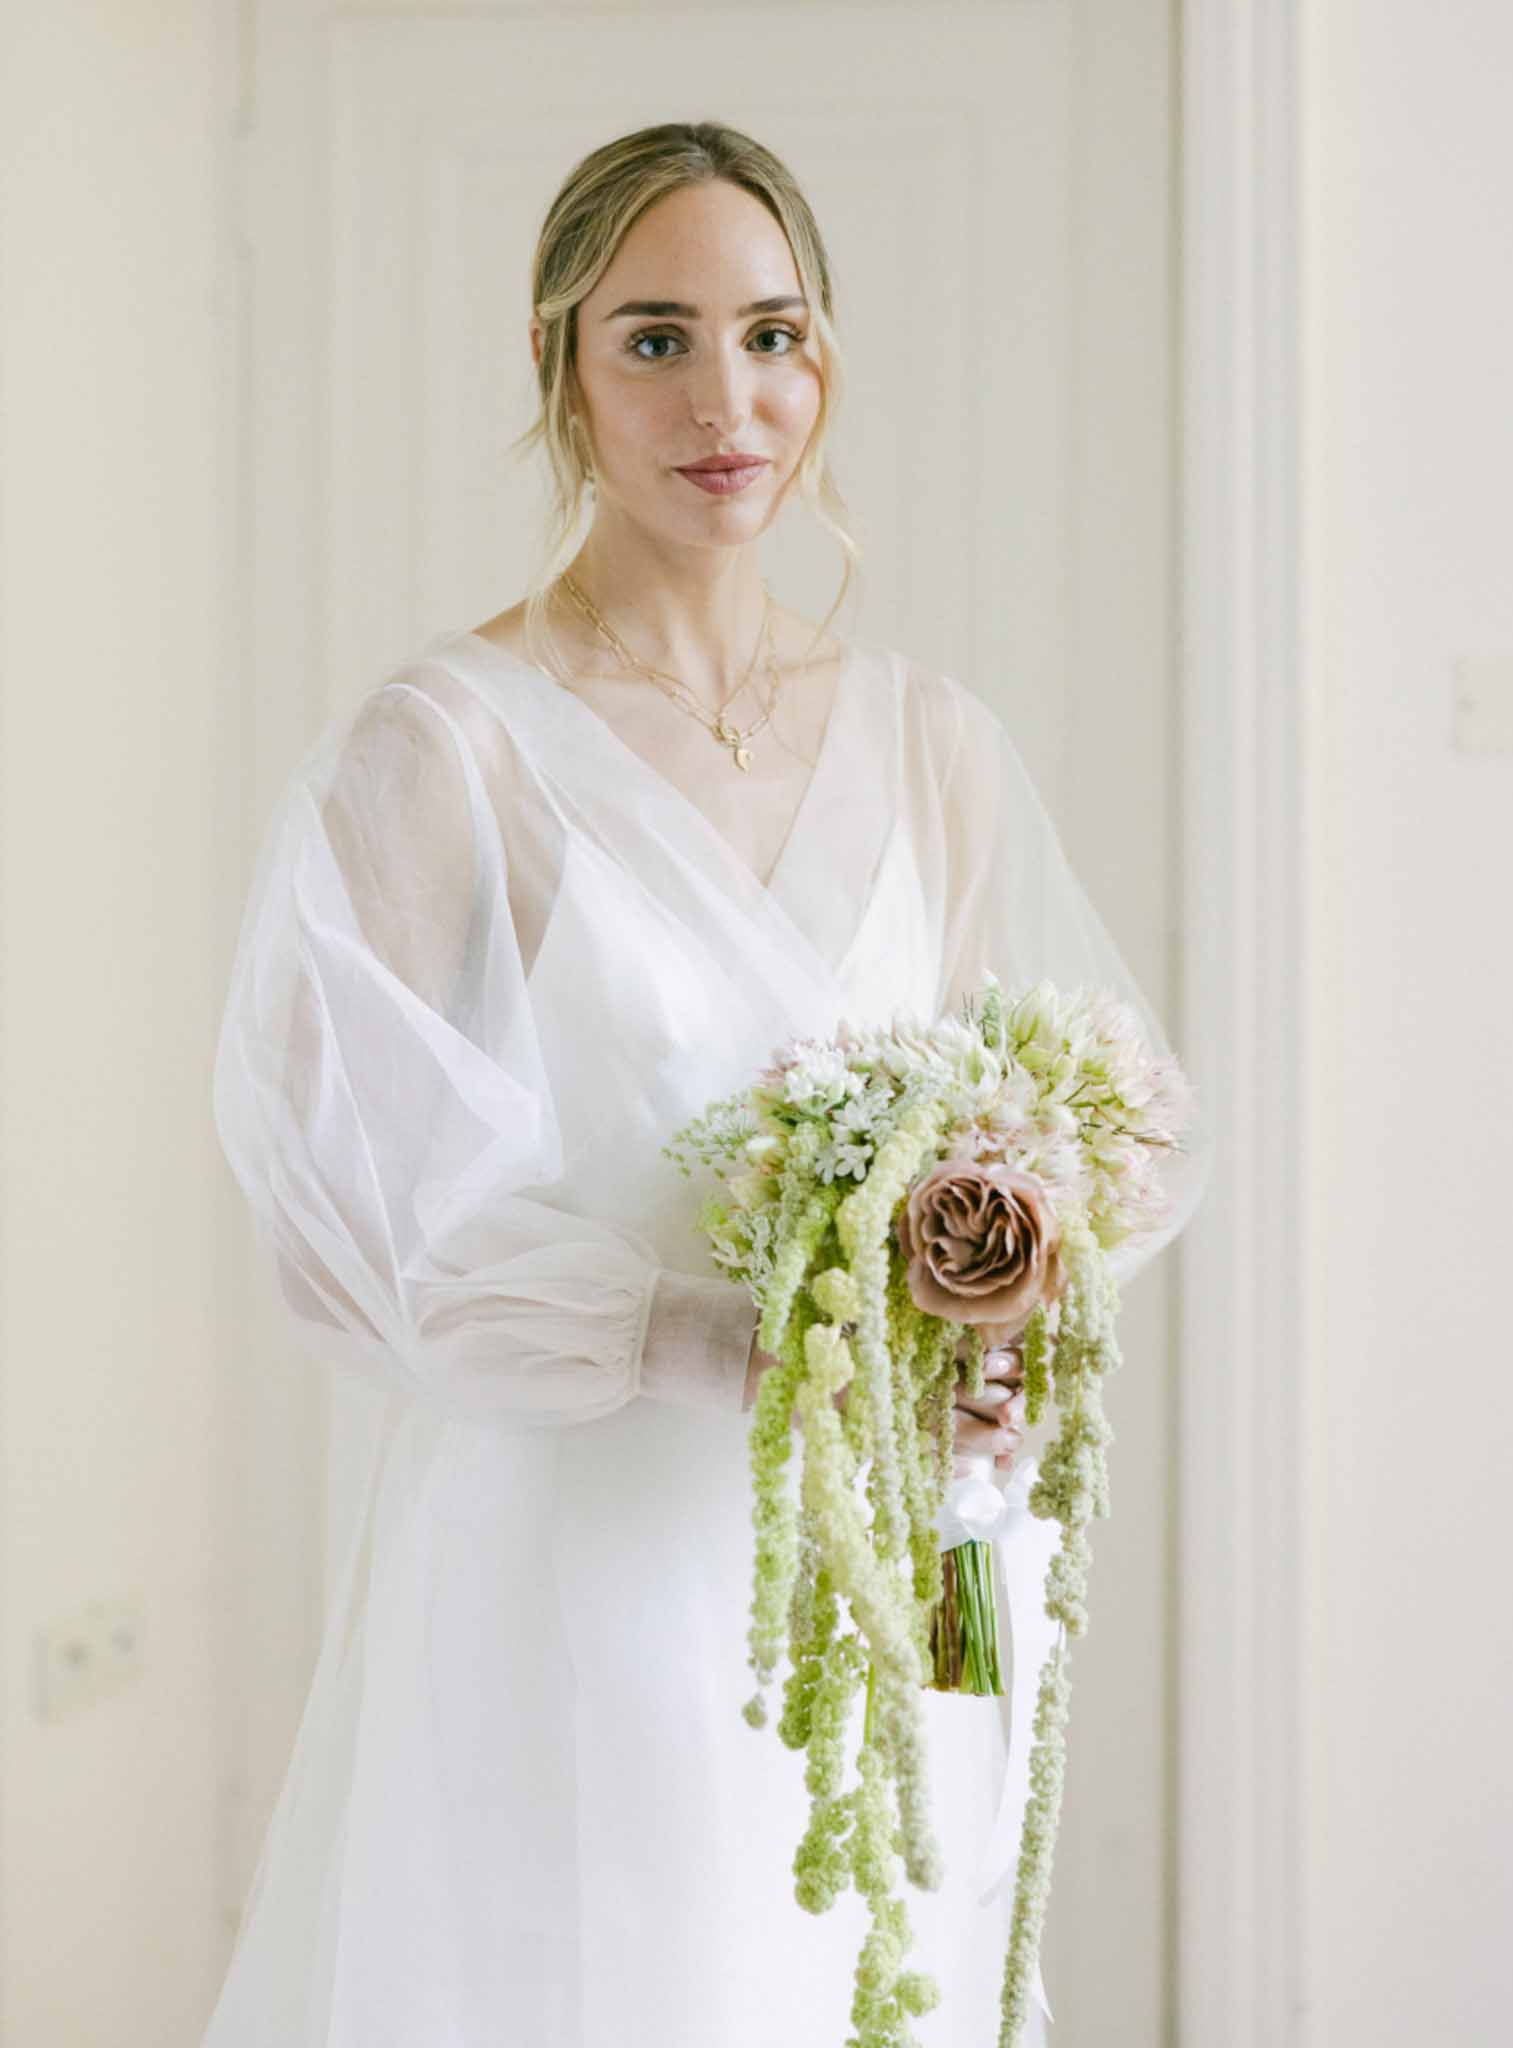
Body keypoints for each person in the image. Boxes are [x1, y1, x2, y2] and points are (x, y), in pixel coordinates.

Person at [200, 120, 1210, 2048]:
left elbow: (1101, 1120)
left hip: (910, 1549)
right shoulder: (449, 752)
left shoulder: (932, 744)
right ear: (558, 366)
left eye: (773, 333)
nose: (727, 399)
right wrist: (710, 1339)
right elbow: (343, 1232)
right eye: (653, 339)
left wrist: (1000, 1326)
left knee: (880, 1978)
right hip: (580, 1554)